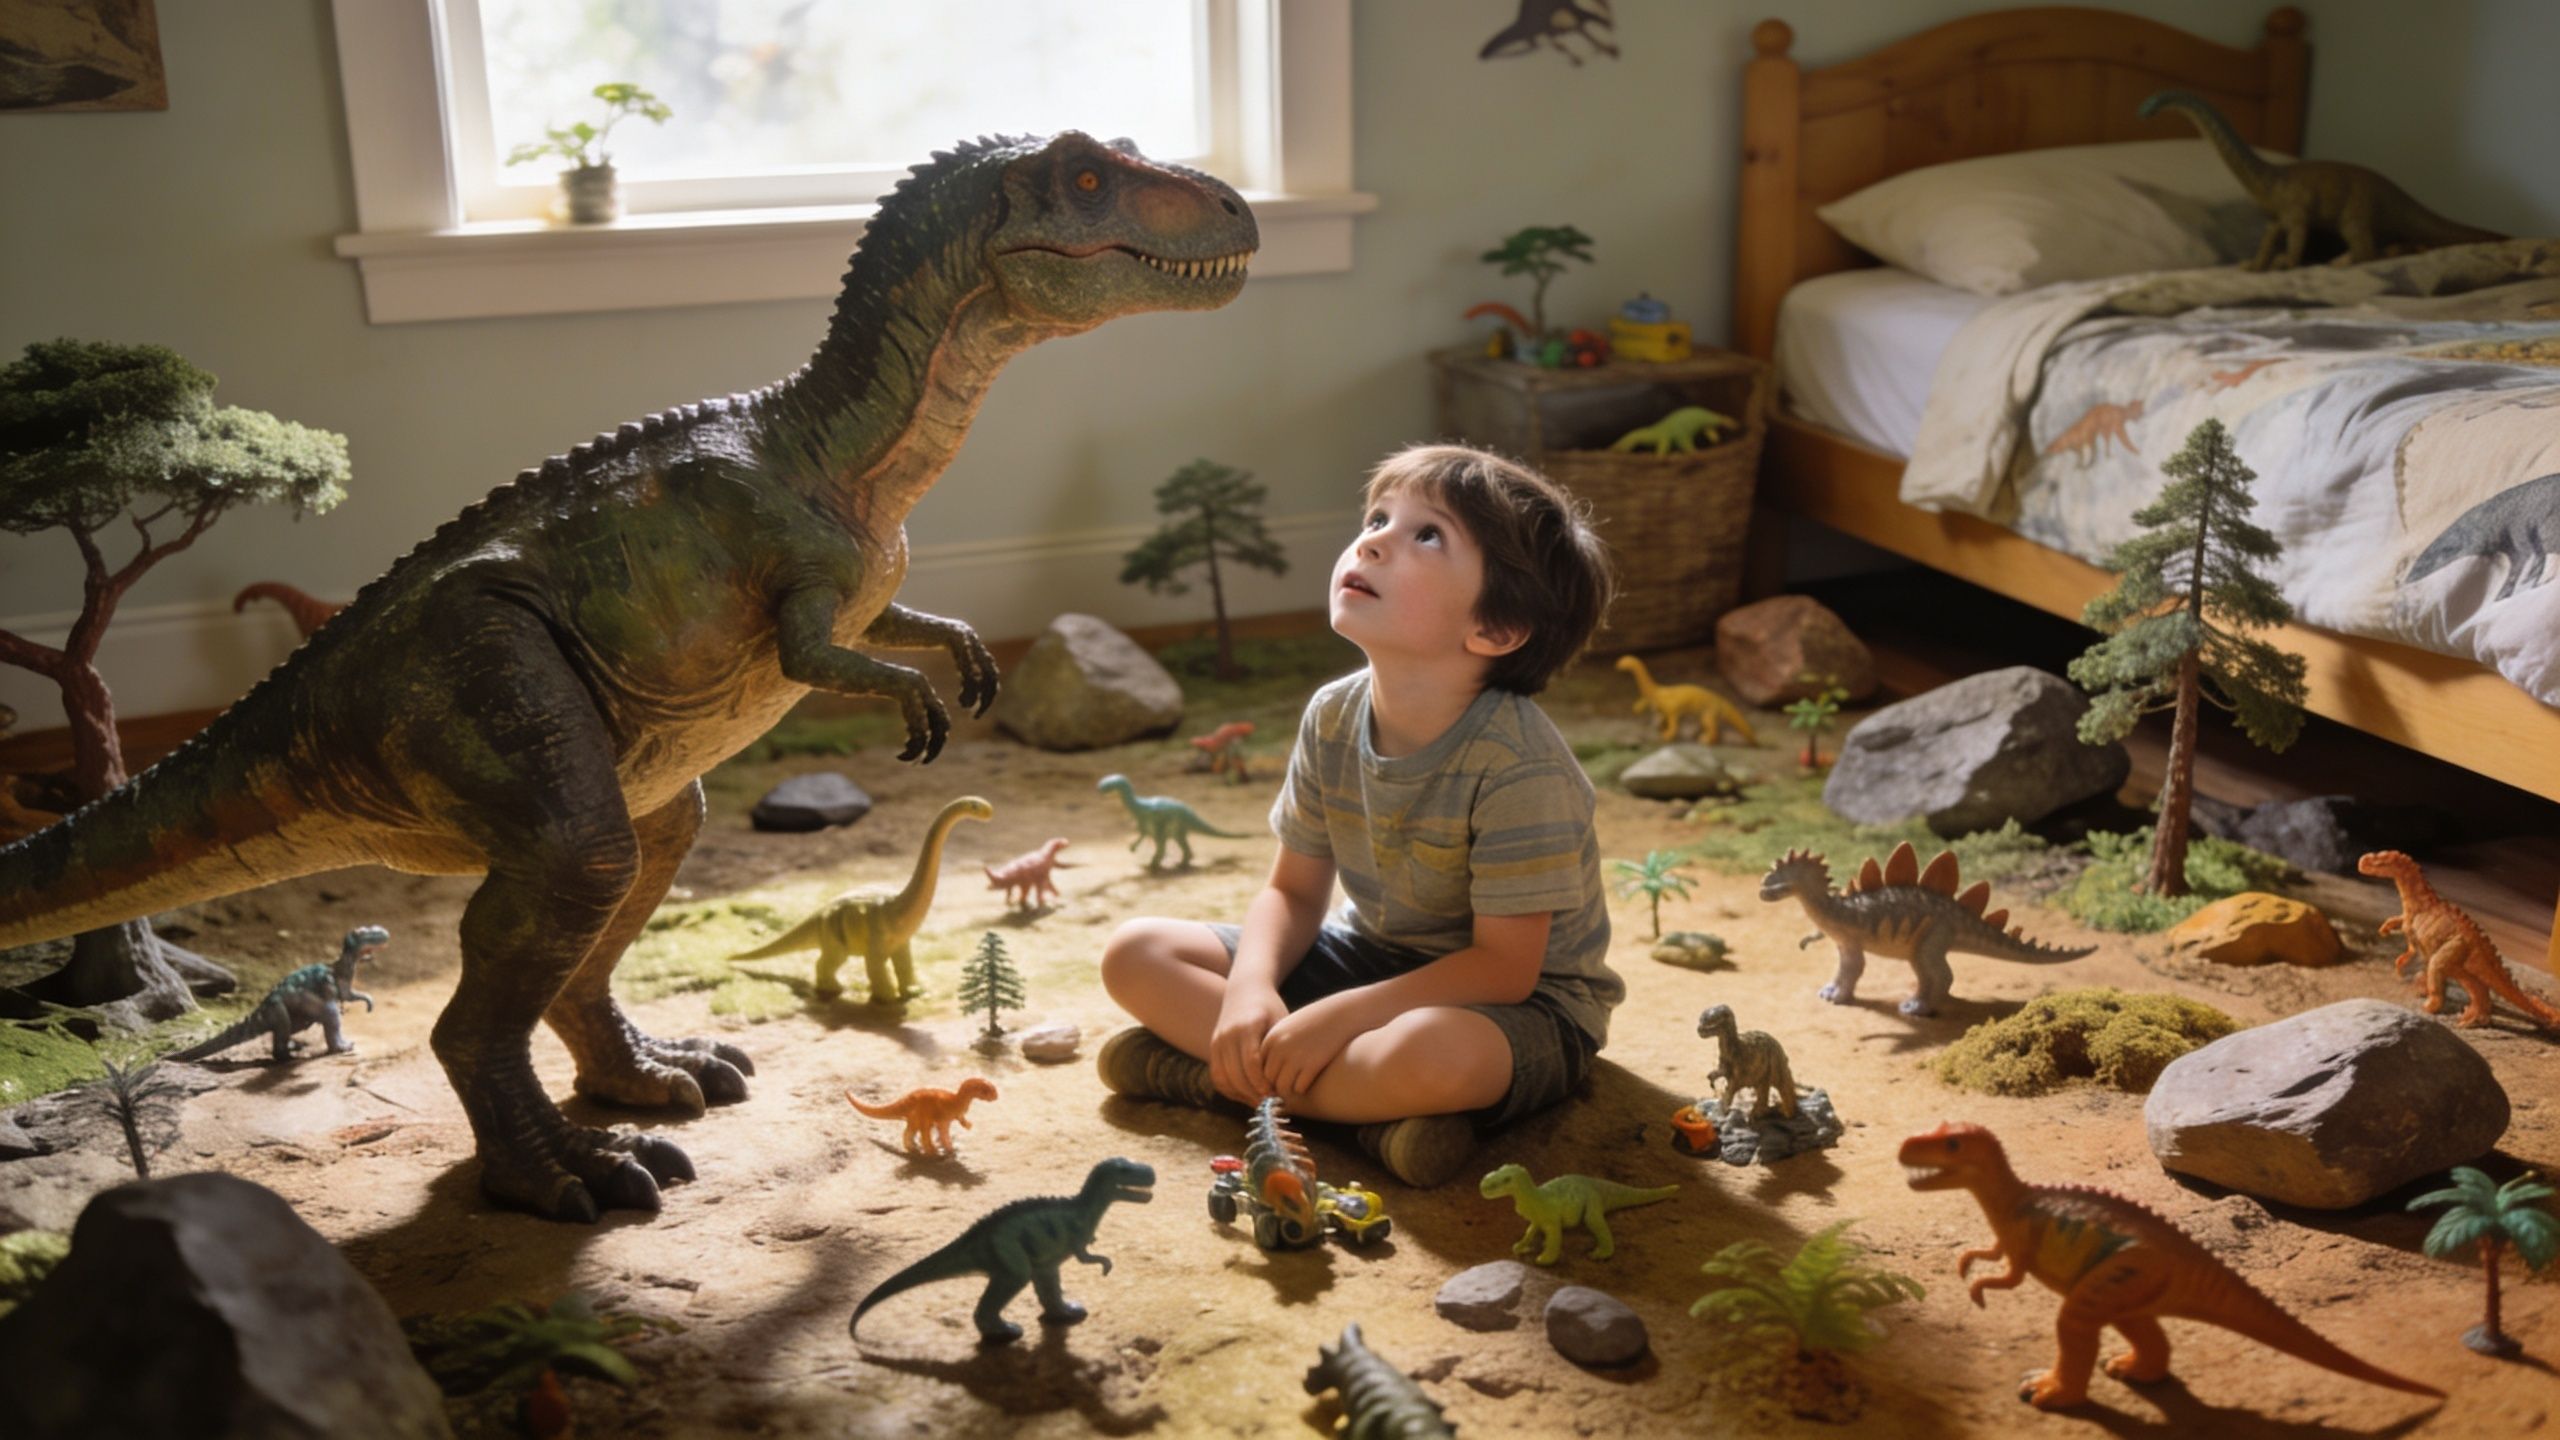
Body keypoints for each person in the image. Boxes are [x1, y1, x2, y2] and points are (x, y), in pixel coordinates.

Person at [1096, 443, 1619, 1187]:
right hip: (1371, 955)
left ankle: (1214, 1078)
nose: (1372, 541)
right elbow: (1292, 892)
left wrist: (1341, 1017)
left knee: (1429, 1057)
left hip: (1525, 1005)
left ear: (1495, 630)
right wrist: (1250, 988)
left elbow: (1503, 969)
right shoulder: (1333, 714)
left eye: (1426, 535)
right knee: (1136, 951)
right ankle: (1357, 1114)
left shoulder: (1520, 764)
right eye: (1377, 519)